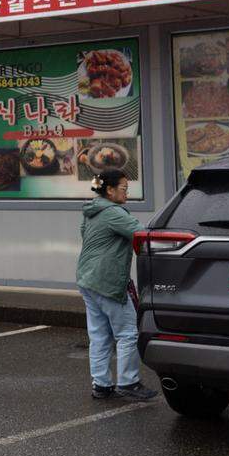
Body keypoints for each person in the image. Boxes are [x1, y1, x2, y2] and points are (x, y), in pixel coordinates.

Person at [76, 168, 157, 401]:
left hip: (87, 278)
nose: (126, 193)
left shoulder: (91, 210)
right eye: (124, 188)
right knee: (128, 333)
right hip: (107, 280)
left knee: (99, 335)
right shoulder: (113, 212)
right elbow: (141, 234)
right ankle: (128, 382)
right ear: (110, 190)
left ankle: (101, 385)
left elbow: (85, 235)